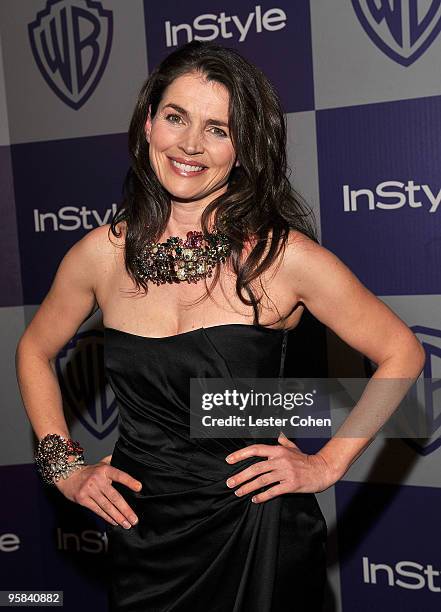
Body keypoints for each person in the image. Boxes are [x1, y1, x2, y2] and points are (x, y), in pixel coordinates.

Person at [16, 41, 425, 611]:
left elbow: (403, 353)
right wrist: (63, 467)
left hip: (259, 529)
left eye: (218, 129)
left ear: (244, 147)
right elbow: (34, 348)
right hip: (146, 536)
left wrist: (326, 464)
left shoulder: (282, 257)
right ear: (147, 126)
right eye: (175, 118)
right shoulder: (100, 256)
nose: (190, 145)